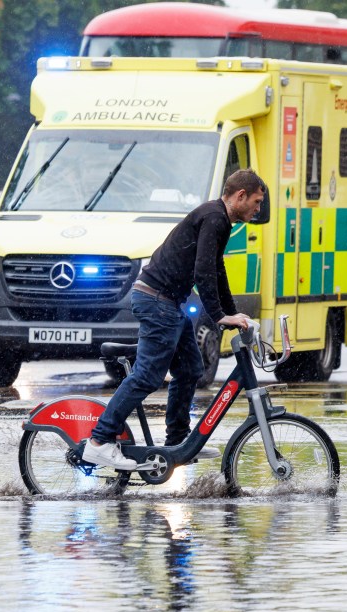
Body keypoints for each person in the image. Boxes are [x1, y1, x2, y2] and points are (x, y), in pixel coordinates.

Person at [83, 169, 267, 470]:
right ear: (240, 195)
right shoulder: (215, 217)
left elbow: (217, 271)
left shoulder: (218, 219)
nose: (258, 210)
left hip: (166, 303)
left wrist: (233, 313)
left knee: (191, 368)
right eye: (257, 202)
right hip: (157, 302)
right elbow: (203, 272)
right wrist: (221, 315)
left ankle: (178, 446)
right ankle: (99, 441)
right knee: (147, 377)